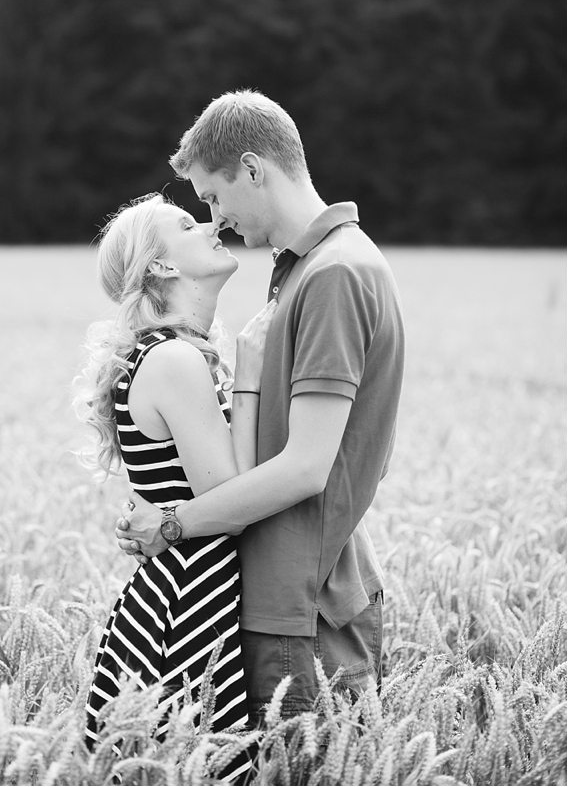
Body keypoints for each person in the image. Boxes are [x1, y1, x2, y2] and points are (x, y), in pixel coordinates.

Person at [116, 91, 405, 723]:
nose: (215, 218)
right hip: (295, 594)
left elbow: (307, 467)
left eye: (214, 198)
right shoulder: (306, 269)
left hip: (300, 604)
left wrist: (172, 523)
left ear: (253, 169)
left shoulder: (333, 274)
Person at [72, 192, 275, 763]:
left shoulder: (166, 354)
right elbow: (229, 497)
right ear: (161, 266)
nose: (211, 224)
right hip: (189, 600)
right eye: (188, 225)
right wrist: (251, 376)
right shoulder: (173, 361)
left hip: (178, 583)